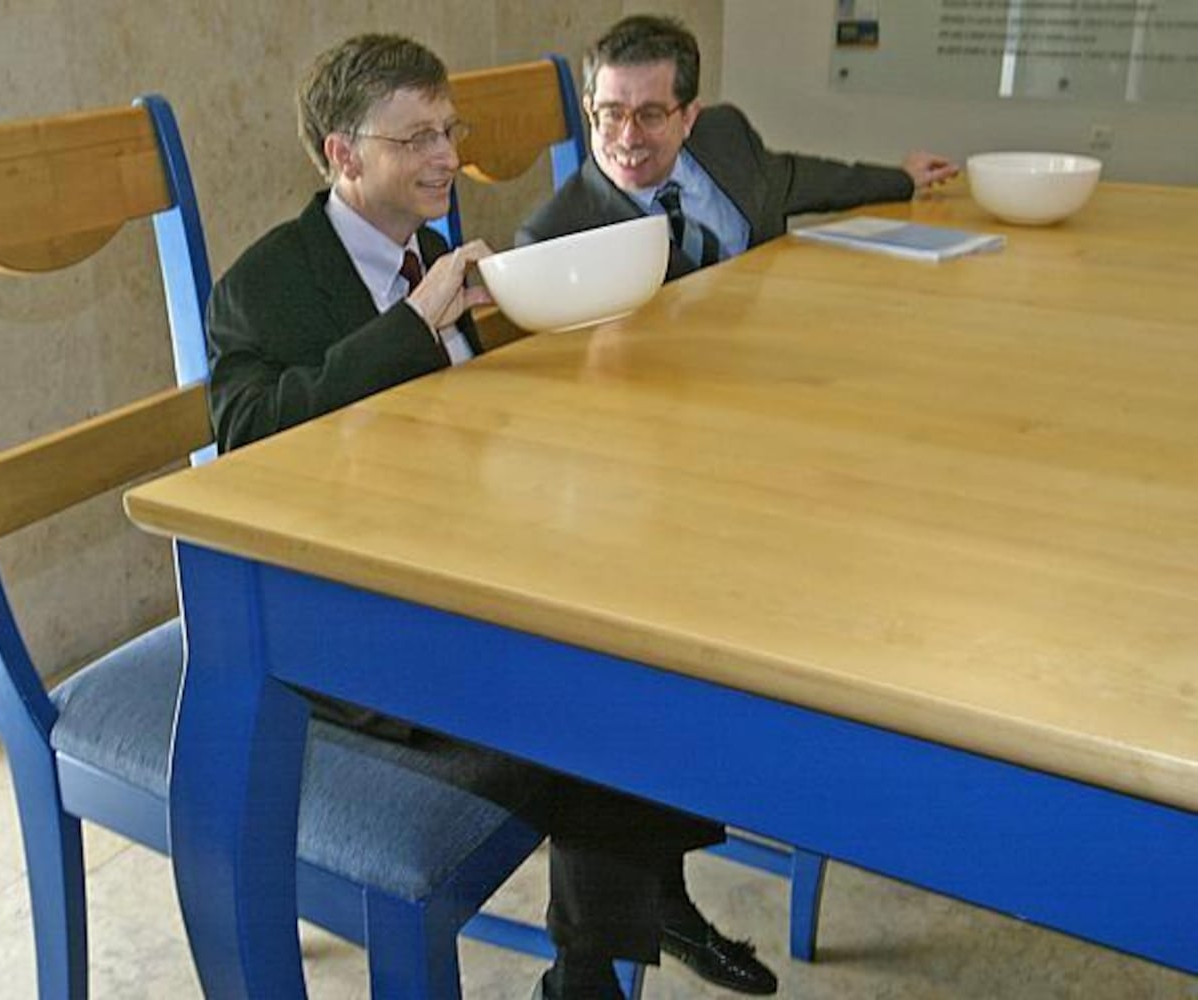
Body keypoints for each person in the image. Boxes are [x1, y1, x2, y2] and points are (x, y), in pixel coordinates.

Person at [206, 33, 780, 999]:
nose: (446, 157)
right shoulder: (264, 285)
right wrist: (411, 325)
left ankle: (634, 913)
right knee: (604, 674)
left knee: (655, 591)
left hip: (458, 552)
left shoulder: (423, 248)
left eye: (450, 130)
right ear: (344, 156)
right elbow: (246, 441)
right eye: (418, 139)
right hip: (355, 610)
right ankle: (596, 967)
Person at [517, 13, 960, 281]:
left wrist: (901, 178)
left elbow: (795, 177)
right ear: (589, 107)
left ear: (689, 116)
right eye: (612, 113)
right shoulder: (553, 238)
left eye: (651, 115)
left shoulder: (724, 135)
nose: (628, 137)